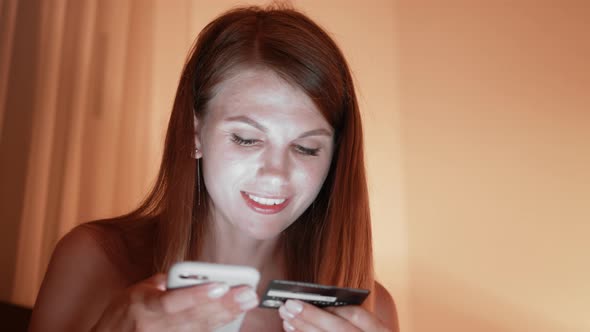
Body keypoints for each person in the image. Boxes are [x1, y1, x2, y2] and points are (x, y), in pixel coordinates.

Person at [28, 4, 398, 332]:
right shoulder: (94, 260)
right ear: (195, 134)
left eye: (306, 147)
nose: (275, 174)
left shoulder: (368, 310)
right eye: (246, 139)